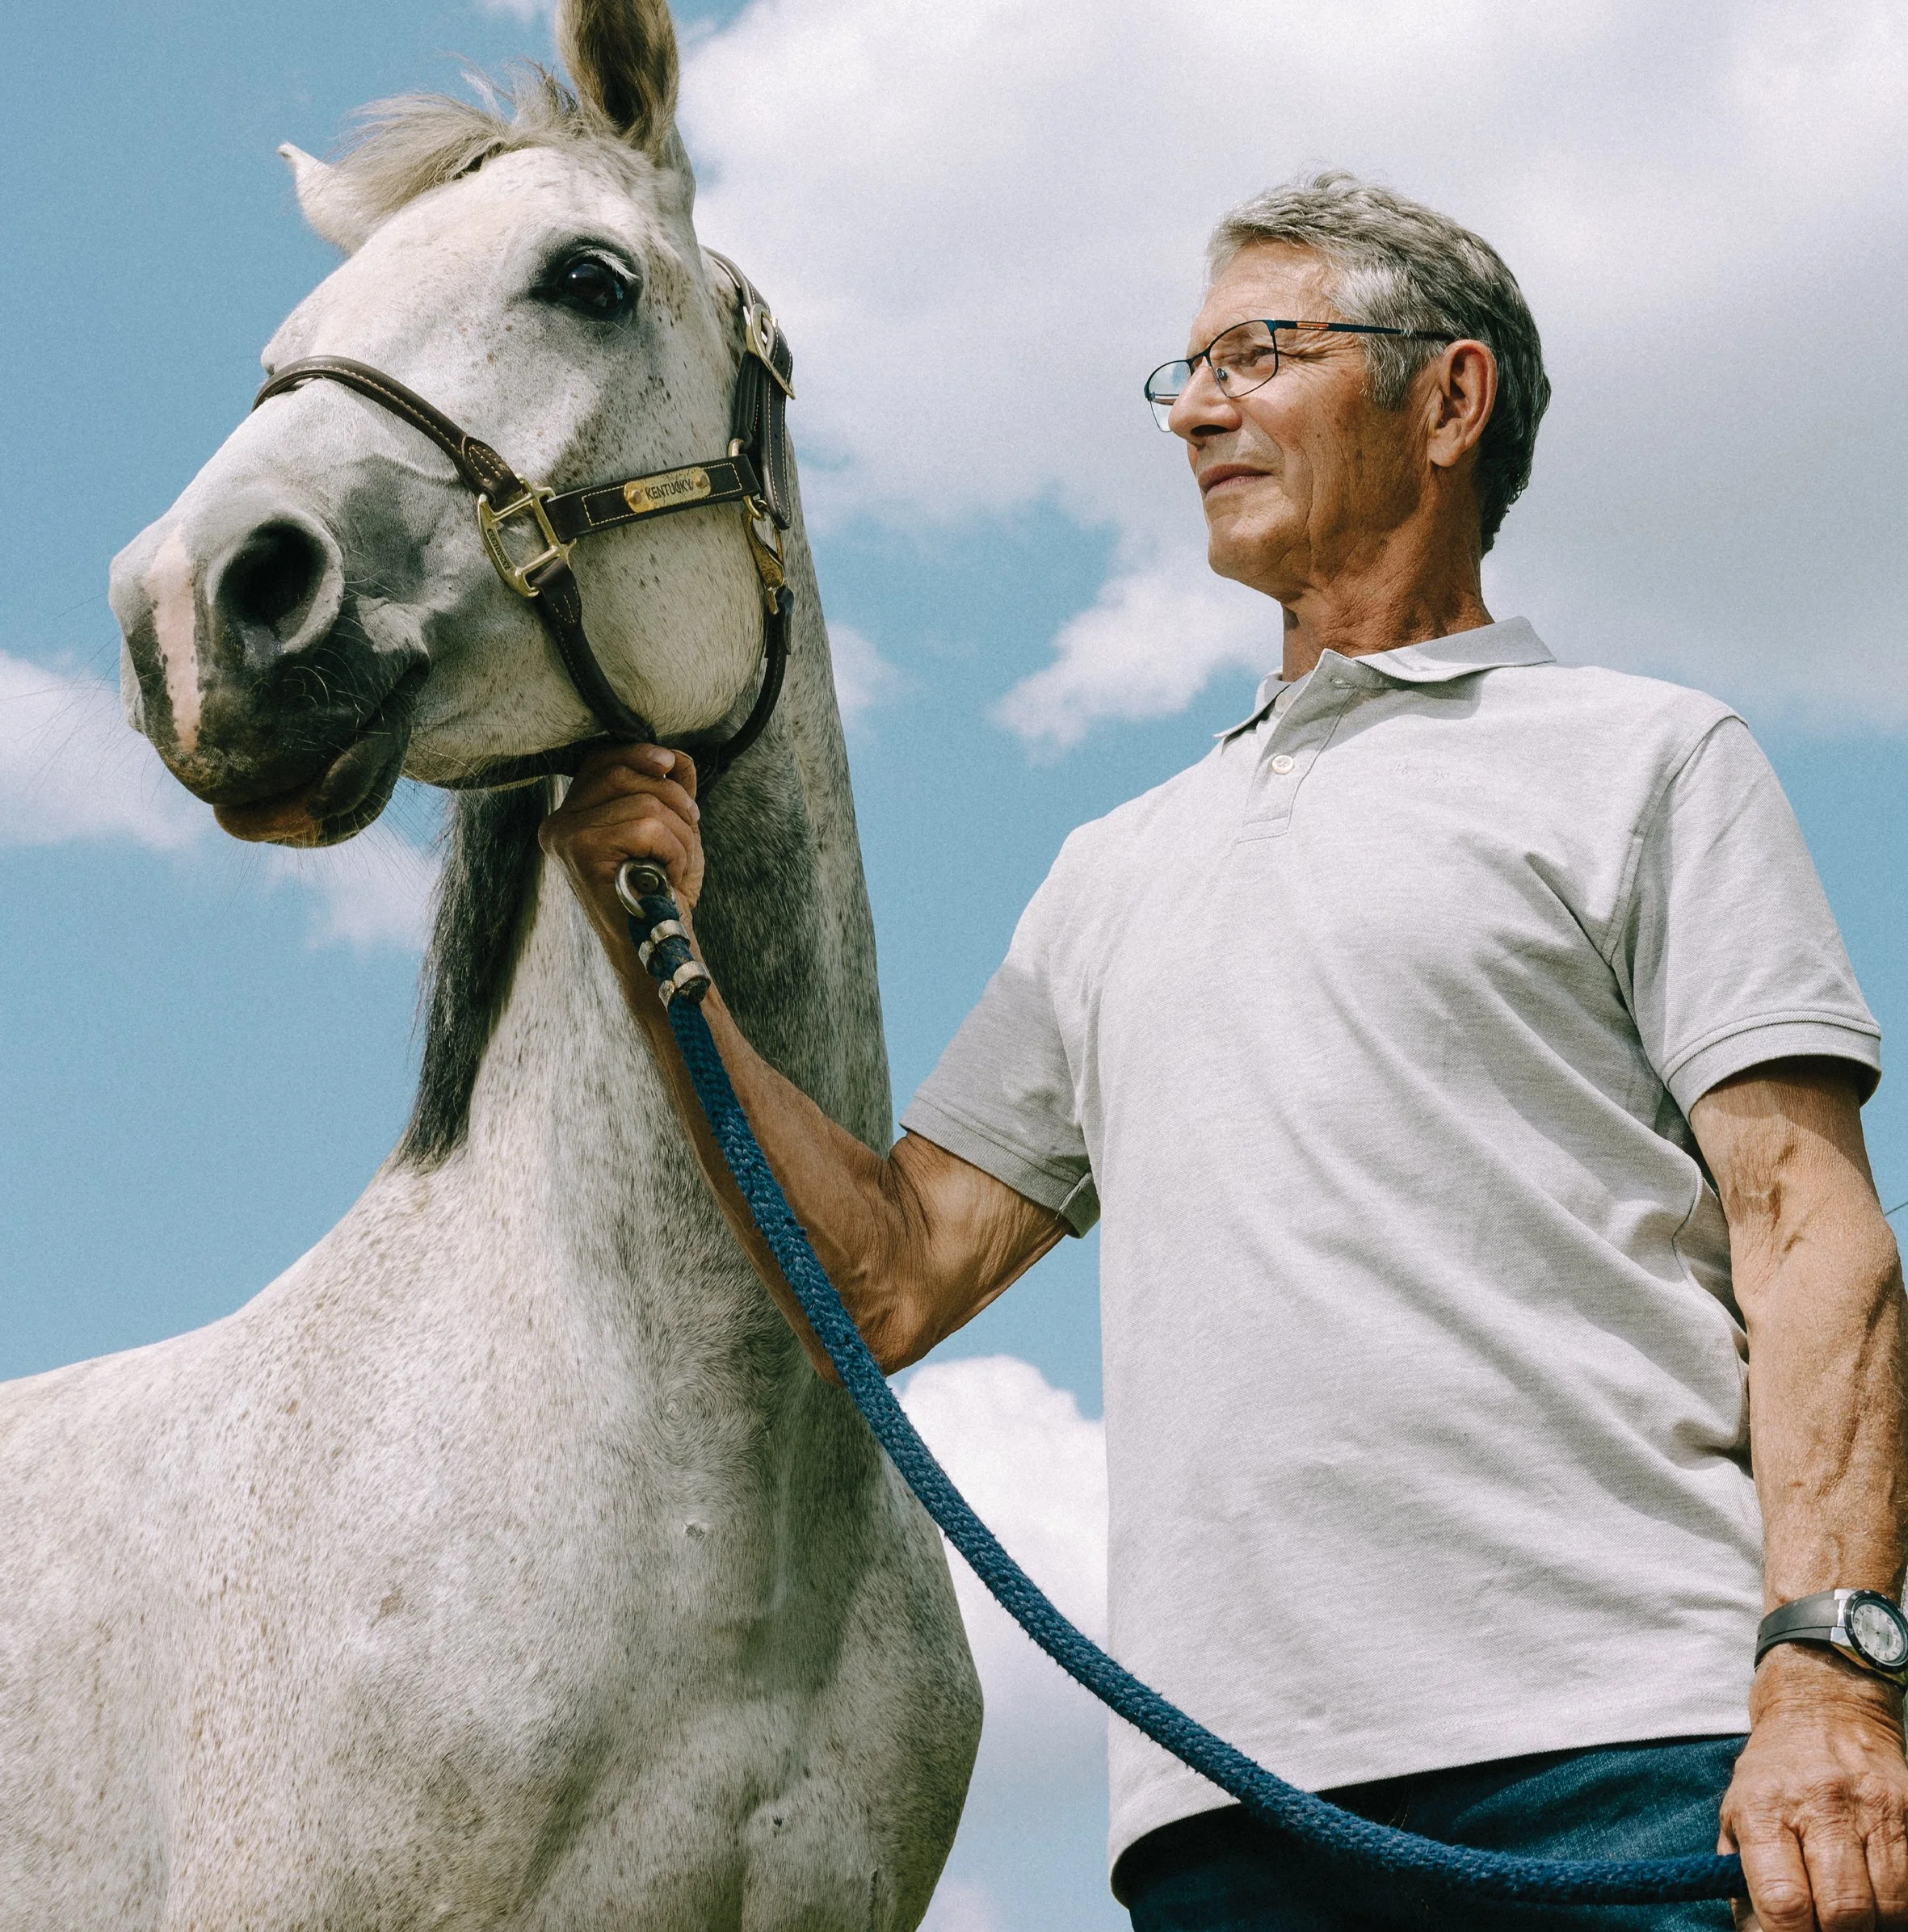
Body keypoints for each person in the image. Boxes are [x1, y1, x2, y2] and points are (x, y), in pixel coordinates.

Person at [544, 172, 1908, 1932]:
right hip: (1223, 1809)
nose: (1193, 407)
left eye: (1257, 352)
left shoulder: (1644, 759)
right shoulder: (1110, 868)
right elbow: (885, 1277)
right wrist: (661, 949)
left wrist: (1829, 1676)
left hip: (1629, 1757)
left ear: (1447, 398)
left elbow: (1811, 1239)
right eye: (1181, 373)